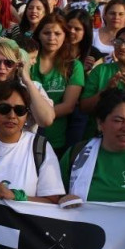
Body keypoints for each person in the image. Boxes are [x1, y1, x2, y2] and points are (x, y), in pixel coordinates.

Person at [60, 89, 125, 209]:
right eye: (118, 121)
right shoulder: (75, 154)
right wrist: (63, 199)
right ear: (100, 123)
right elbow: (53, 198)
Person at [29, 14, 84, 154]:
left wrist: (42, 116)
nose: (52, 38)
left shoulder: (74, 66)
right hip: (26, 135)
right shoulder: (27, 61)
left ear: (65, 36)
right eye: (46, 33)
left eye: (57, 33)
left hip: (56, 140)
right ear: (39, 35)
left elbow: (68, 106)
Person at [0, 38, 55, 131]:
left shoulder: (33, 87)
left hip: (22, 144)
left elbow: (46, 120)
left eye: (8, 63)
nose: (1, 67)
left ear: (18, 64)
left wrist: (28, 82)